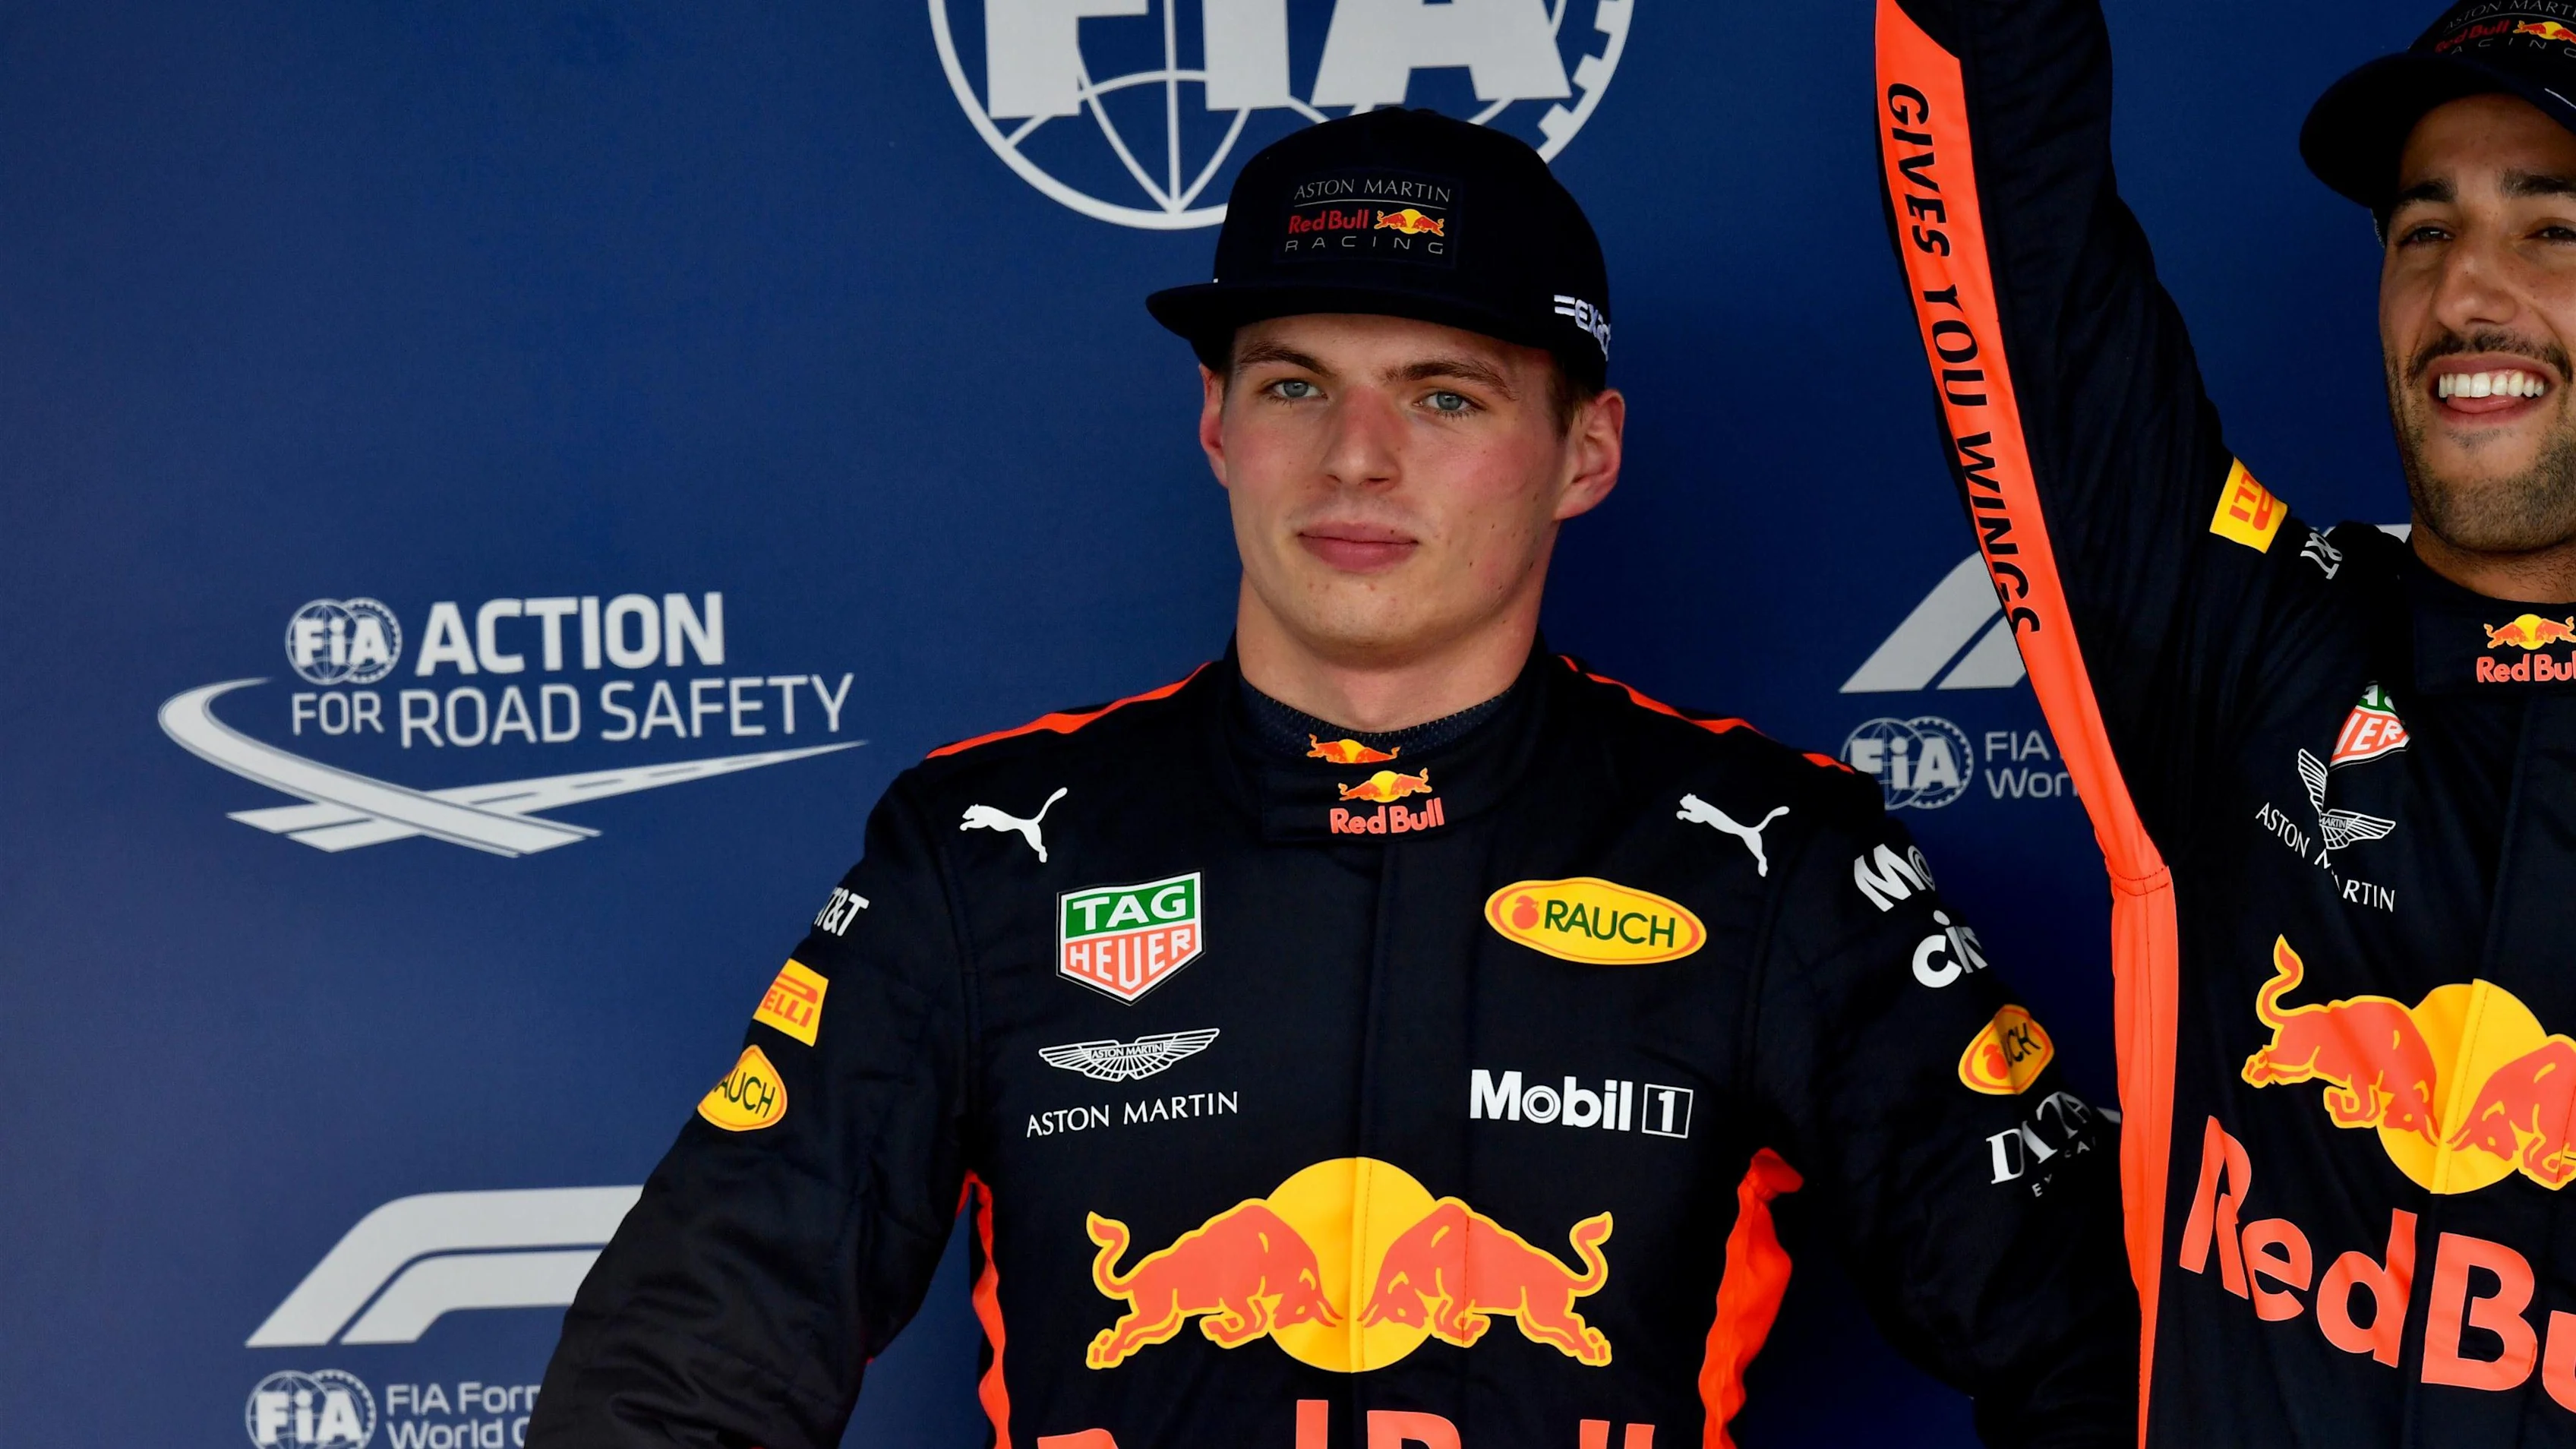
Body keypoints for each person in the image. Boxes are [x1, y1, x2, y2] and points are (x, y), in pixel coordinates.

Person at [528, 108, 2134, 1449]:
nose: (1356, 456)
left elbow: (2108, 1349)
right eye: (1295, 384)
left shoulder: (1770, 857)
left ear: (1585, 453)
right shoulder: (986, 850)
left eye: (1444, 395)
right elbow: (679, 1367)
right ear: (1216, 424)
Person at [1874, 0, 2576, 1439]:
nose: (2466, 292)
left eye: (2555, 230)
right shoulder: (2249, 641)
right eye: (2423, 230)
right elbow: (2017, 234)